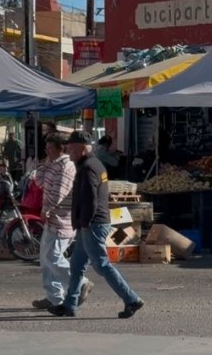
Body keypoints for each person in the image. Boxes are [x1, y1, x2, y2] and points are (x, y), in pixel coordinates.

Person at [48, 131, 144, 318]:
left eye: (72, 149)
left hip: (93, 224)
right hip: (91, 223)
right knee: (76, 265)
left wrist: (85, 222)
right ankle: (70, 304)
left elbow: (91, 199)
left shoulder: (88, 168)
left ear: (83, 149)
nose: (69, 152)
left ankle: (132, 299)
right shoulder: (93, 164)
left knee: (101, 265)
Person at [31, 133, 93, 311]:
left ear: (61, 149)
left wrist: (46, 209)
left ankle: (81, 283)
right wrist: (43, 163)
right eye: (46, 148)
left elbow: (59, 192)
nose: (48, 151)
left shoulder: (66, 166)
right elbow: (39, 181)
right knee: (45, 259)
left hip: (62, 219)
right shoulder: (52, 164)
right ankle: (54, 297)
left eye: (51, 148)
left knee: (53, 257)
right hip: (51, 219)